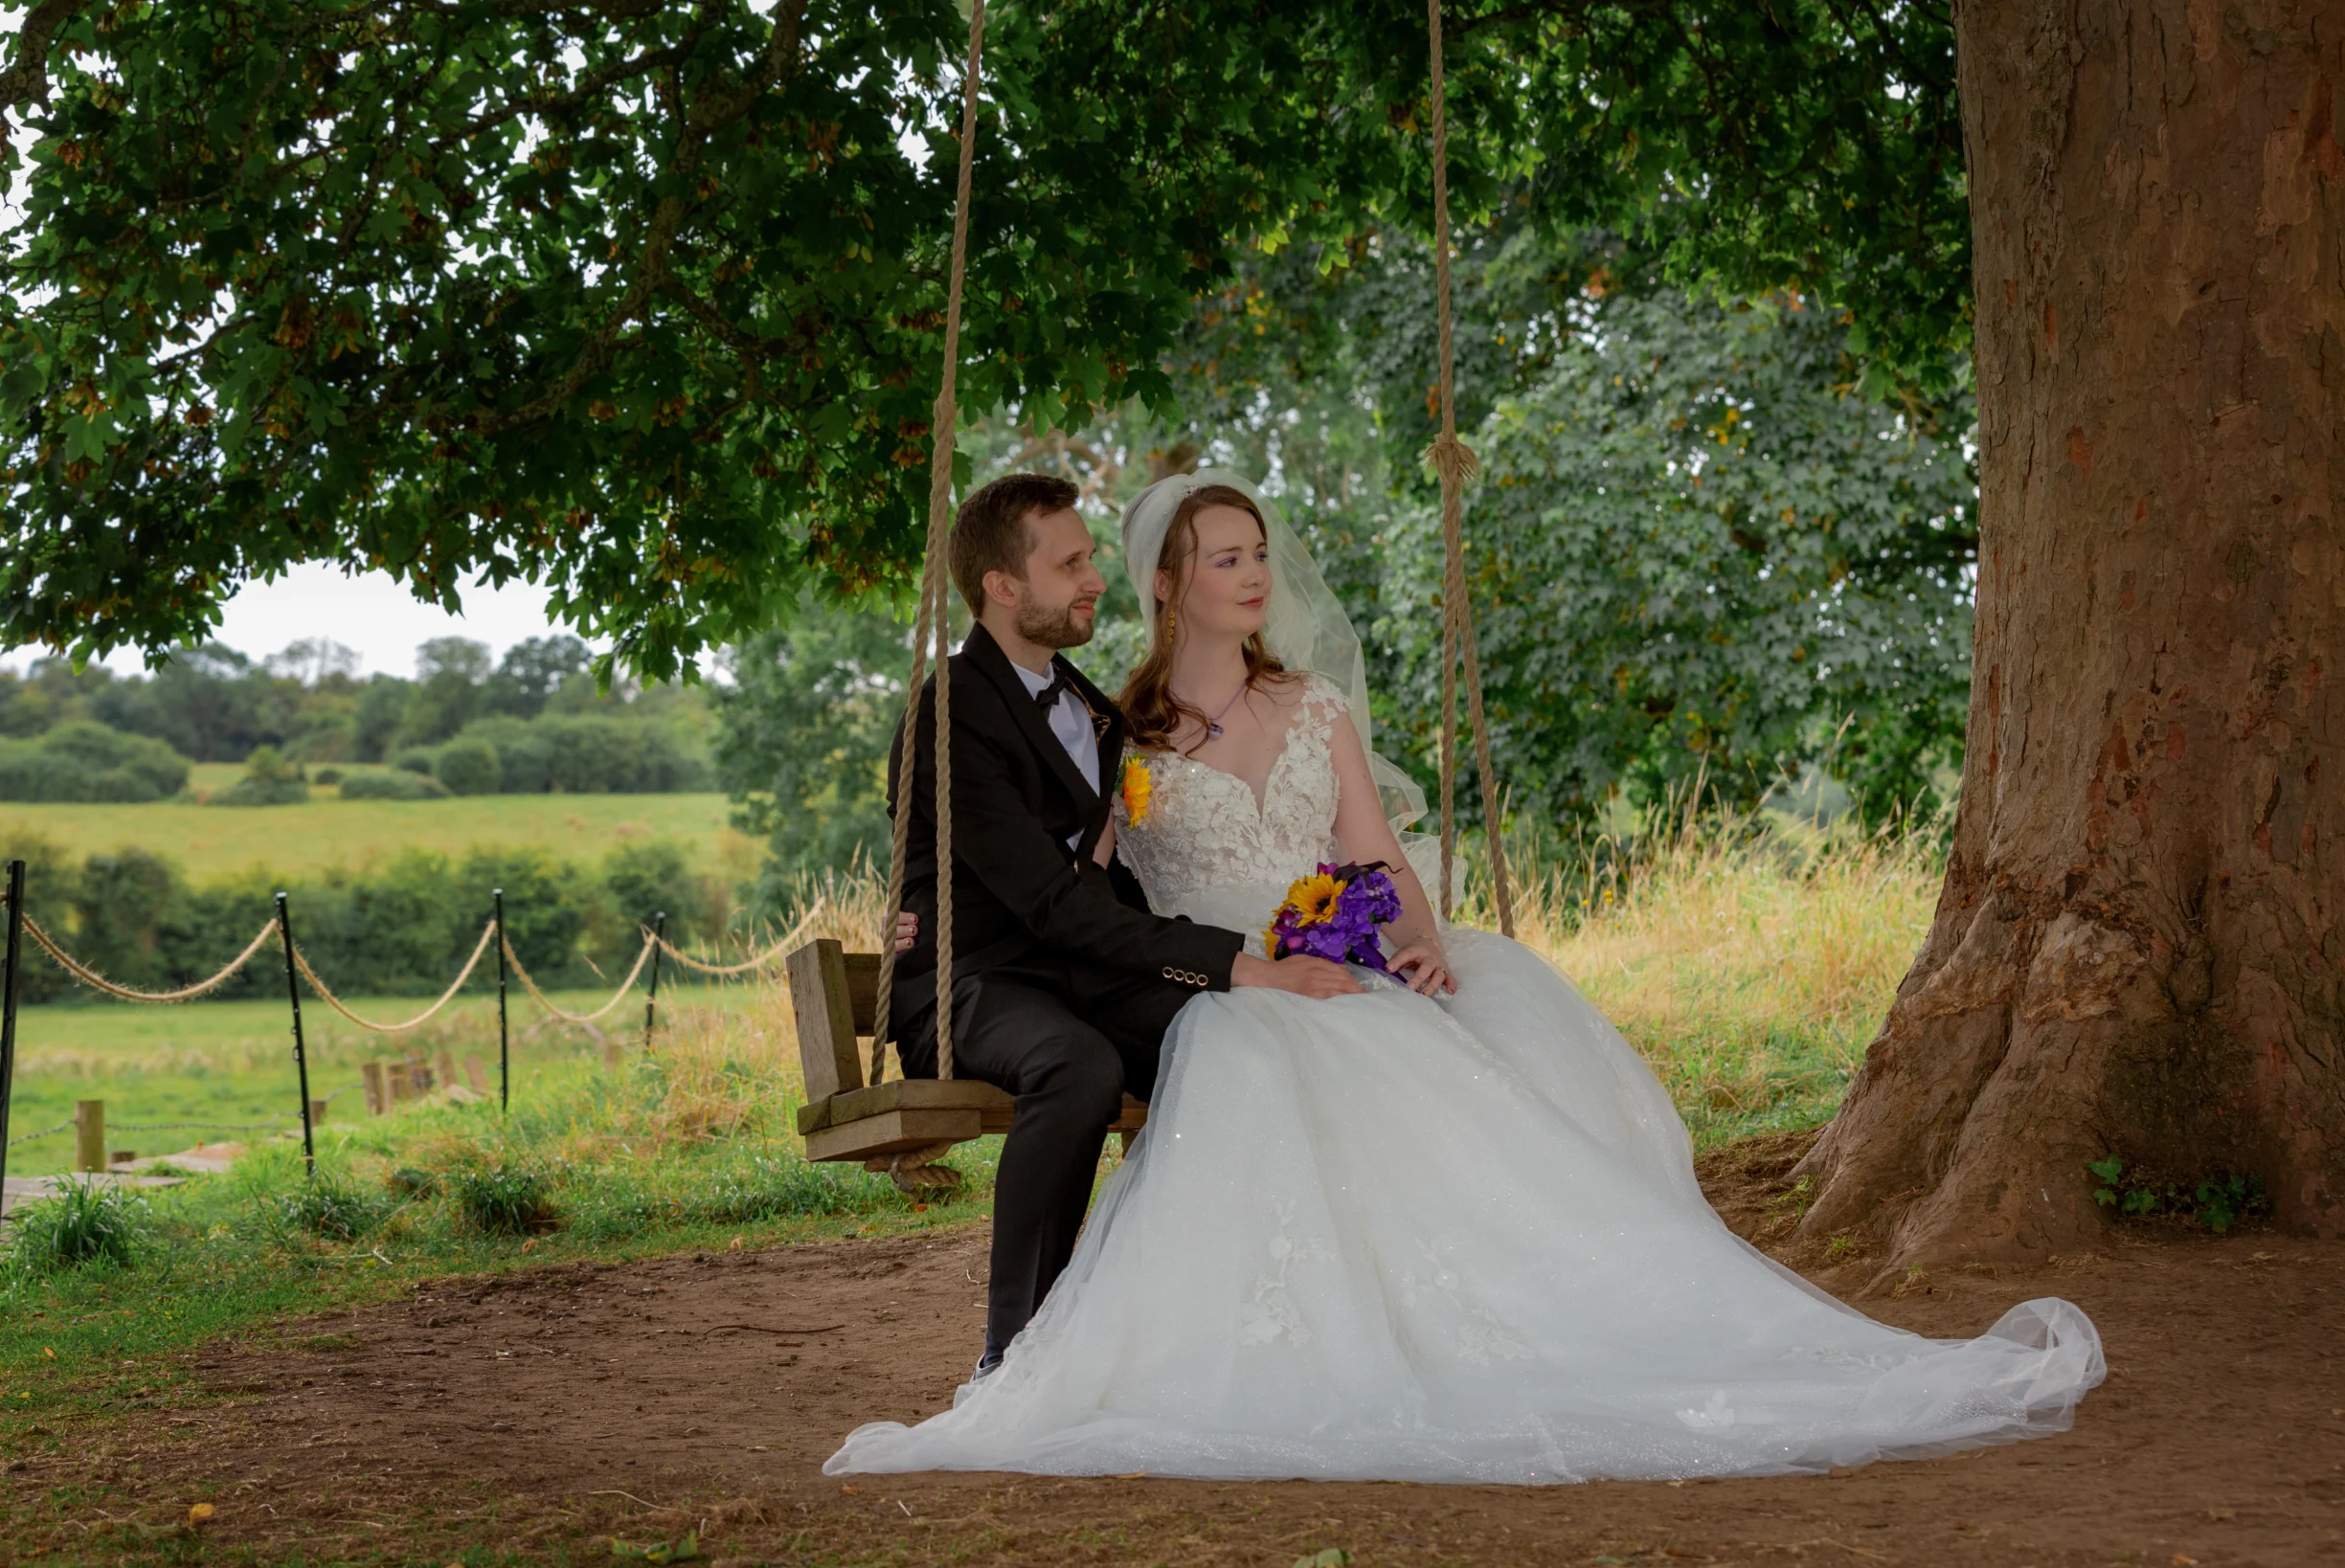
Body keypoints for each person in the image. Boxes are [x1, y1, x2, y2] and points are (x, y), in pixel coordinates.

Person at [831, 470, 2106, 1485]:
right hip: (1174, 967)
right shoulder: (1124, 726)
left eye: (1260, 554)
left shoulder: (1208, 710)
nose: (1257, 574)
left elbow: (1331, 858)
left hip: (1266, 957)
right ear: (1167, 586)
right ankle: (1044, 1347)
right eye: (1225, 557)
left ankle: (1485, 1300)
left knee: (1372, 1040)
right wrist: (939, 919)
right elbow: (1088, 879)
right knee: (1219, 1047)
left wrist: (1360, 937)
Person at [884, 472, 1365, 1384]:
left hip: (1078, 971)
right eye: (1070, 564)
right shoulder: (950, 708)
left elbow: (1111, 896)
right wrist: (1234, 960)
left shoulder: (1098, 714)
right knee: (1081, 1065)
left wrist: (1237, 980)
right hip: (975, 983)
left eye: (1092, 557)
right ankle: (1018, 1350)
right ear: (1001, 584)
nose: (1095, 577)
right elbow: (1049, 903)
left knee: (1240, 1040)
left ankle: (1247, 1319)